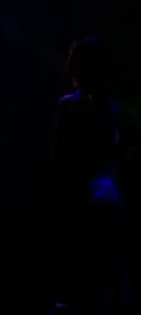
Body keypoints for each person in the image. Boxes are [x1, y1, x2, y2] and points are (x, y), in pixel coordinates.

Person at [51, 35, 129, 313]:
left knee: (82, 285)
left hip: (80, 201)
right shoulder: (111, 107)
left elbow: (62, 160)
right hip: (108, 197)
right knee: (112, 281)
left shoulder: (68, 106)